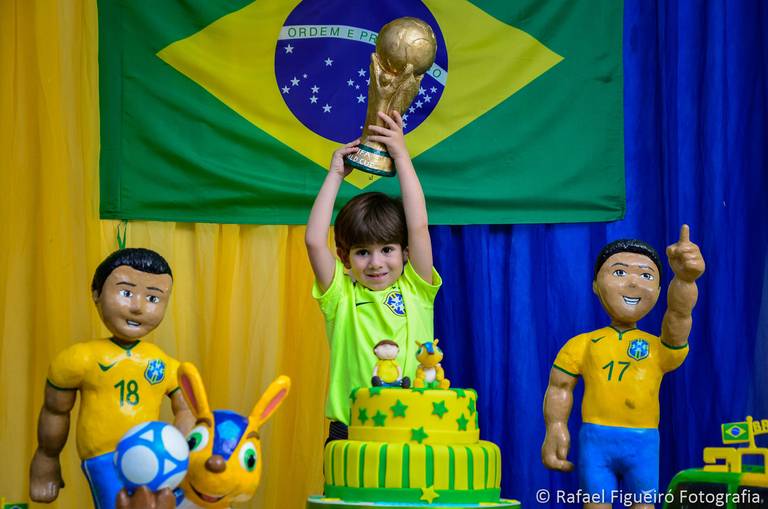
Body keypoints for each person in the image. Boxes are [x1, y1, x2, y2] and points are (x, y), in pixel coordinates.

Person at [541, 226, 705, 509]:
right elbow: (560, 386)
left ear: (657, 289)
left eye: (646, 275)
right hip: (596, 442)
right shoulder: (582, 344)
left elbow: (679, 315)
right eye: (619, 272)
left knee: (642, 505)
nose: (633, 283)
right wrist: (555, 427)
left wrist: (685, 281)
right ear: (595, 284)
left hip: (642, 443)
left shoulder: (658, 348)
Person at [305, 111, 441, 442]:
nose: (376, 263)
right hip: (349, 429)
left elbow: (419, 225)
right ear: (345, 257)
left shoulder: (417, 289)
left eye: (387, 250)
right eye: (363, 252)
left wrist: (401, 156)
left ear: (405, 252)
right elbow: (313, 239)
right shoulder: (341, 295)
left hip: (415, 425)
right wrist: (335, 174)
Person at [29, 248, 194, 509]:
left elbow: (187, 405)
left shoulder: (159, 361)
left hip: (157, 459)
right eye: (126, 293)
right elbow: (55, 411)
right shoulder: (80, 359)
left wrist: (181, 451)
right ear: (96, 293)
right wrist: (46, 458)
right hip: (105, 458)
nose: (138, 307)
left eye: (153, 297)